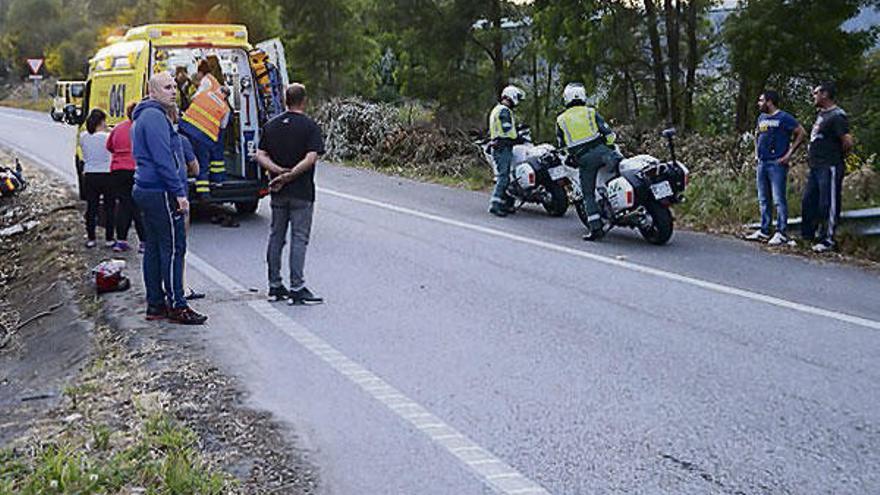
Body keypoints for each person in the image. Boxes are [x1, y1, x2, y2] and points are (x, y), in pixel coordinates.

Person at [131, 72, 207, 325]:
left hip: (148, 188)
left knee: (154, 247)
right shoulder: (154, 117)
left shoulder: (149, 115)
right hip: (160, 190)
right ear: (152, 92)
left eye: (174, 86)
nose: (173, 91)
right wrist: (179, 193)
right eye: (166, 87)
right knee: (174, 248)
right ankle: (177, 305)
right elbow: (164, 159)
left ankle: (155, 304)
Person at [254, 83, 325, 305]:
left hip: (278, 190)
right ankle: (297, 287)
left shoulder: (272, 126)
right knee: (299, 238)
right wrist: (292, 174)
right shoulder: (310, 126)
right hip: (302, 192)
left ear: (286, 100)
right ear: (304, 101)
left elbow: (260, 154)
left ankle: (274, 285)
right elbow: (311, 157)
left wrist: (277, 171)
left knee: (276, 236)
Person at [555, 83, 618, 241]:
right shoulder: (591, 112)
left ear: (567, 98)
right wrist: (609, 147)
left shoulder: (561, 119)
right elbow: (609, 134)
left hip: (584, 159)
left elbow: (561, 146)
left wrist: (571, 154)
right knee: (622, 172)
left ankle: (596, 229)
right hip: (604, 153)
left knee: (588, 194)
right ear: (583, 96)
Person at [745, 90, 805, 246]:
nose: (759, 103)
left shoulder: (784, 118)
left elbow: (801, 132)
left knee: (778, 199)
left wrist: (789, 154)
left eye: (761, 100)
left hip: (777, 163)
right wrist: (756, 153)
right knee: (763, 198)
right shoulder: (761, 118)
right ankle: (765, 230)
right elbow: (757, 135)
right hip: (762, 163)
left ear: (769, 101)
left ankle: (781, 232)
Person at [801, 82, 853, 253]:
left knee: (827, 203)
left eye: (816, 93)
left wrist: (836, 157)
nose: (813, 96)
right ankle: (808, 237)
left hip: (829, 165)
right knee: (809, 201)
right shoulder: (822, 115)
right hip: (816, 166)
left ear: (825, 94)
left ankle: (828, 239)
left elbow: (847, 141)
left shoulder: (837, 116)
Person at [179, 59, 231, 198]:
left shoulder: (205, 92)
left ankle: (183, 177)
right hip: (205, 136)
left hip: (187, 127)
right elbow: (223, 127)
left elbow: (193, 99)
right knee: (203, 161)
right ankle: (205, 192)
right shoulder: (225, 108)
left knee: (184, 154)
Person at [108, 101, 146, 253]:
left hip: (118, 171)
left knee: (124, 205)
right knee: (138, 207)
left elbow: (109, 146)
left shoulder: (118, 128)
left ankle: (121, 240)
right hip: (136, 169)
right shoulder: (141, 129)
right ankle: (144, 241)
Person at [487, 85, 525, 217]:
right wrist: (517, 138)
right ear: (512, 96)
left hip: (500, 146)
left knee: (507, 176)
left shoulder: (497, 109)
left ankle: (507, 204)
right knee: (504, 177)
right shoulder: (504, 111)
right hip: (503, 147)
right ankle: (495, 204)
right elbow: (507, 129)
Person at [80, 108, 115, 248]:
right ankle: (109, 238)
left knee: (92, 207)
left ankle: (91, 237)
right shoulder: (107, 137)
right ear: (101, 122)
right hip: (107, 174)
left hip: (90, 175)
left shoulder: (83, 136)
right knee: (109, 207)